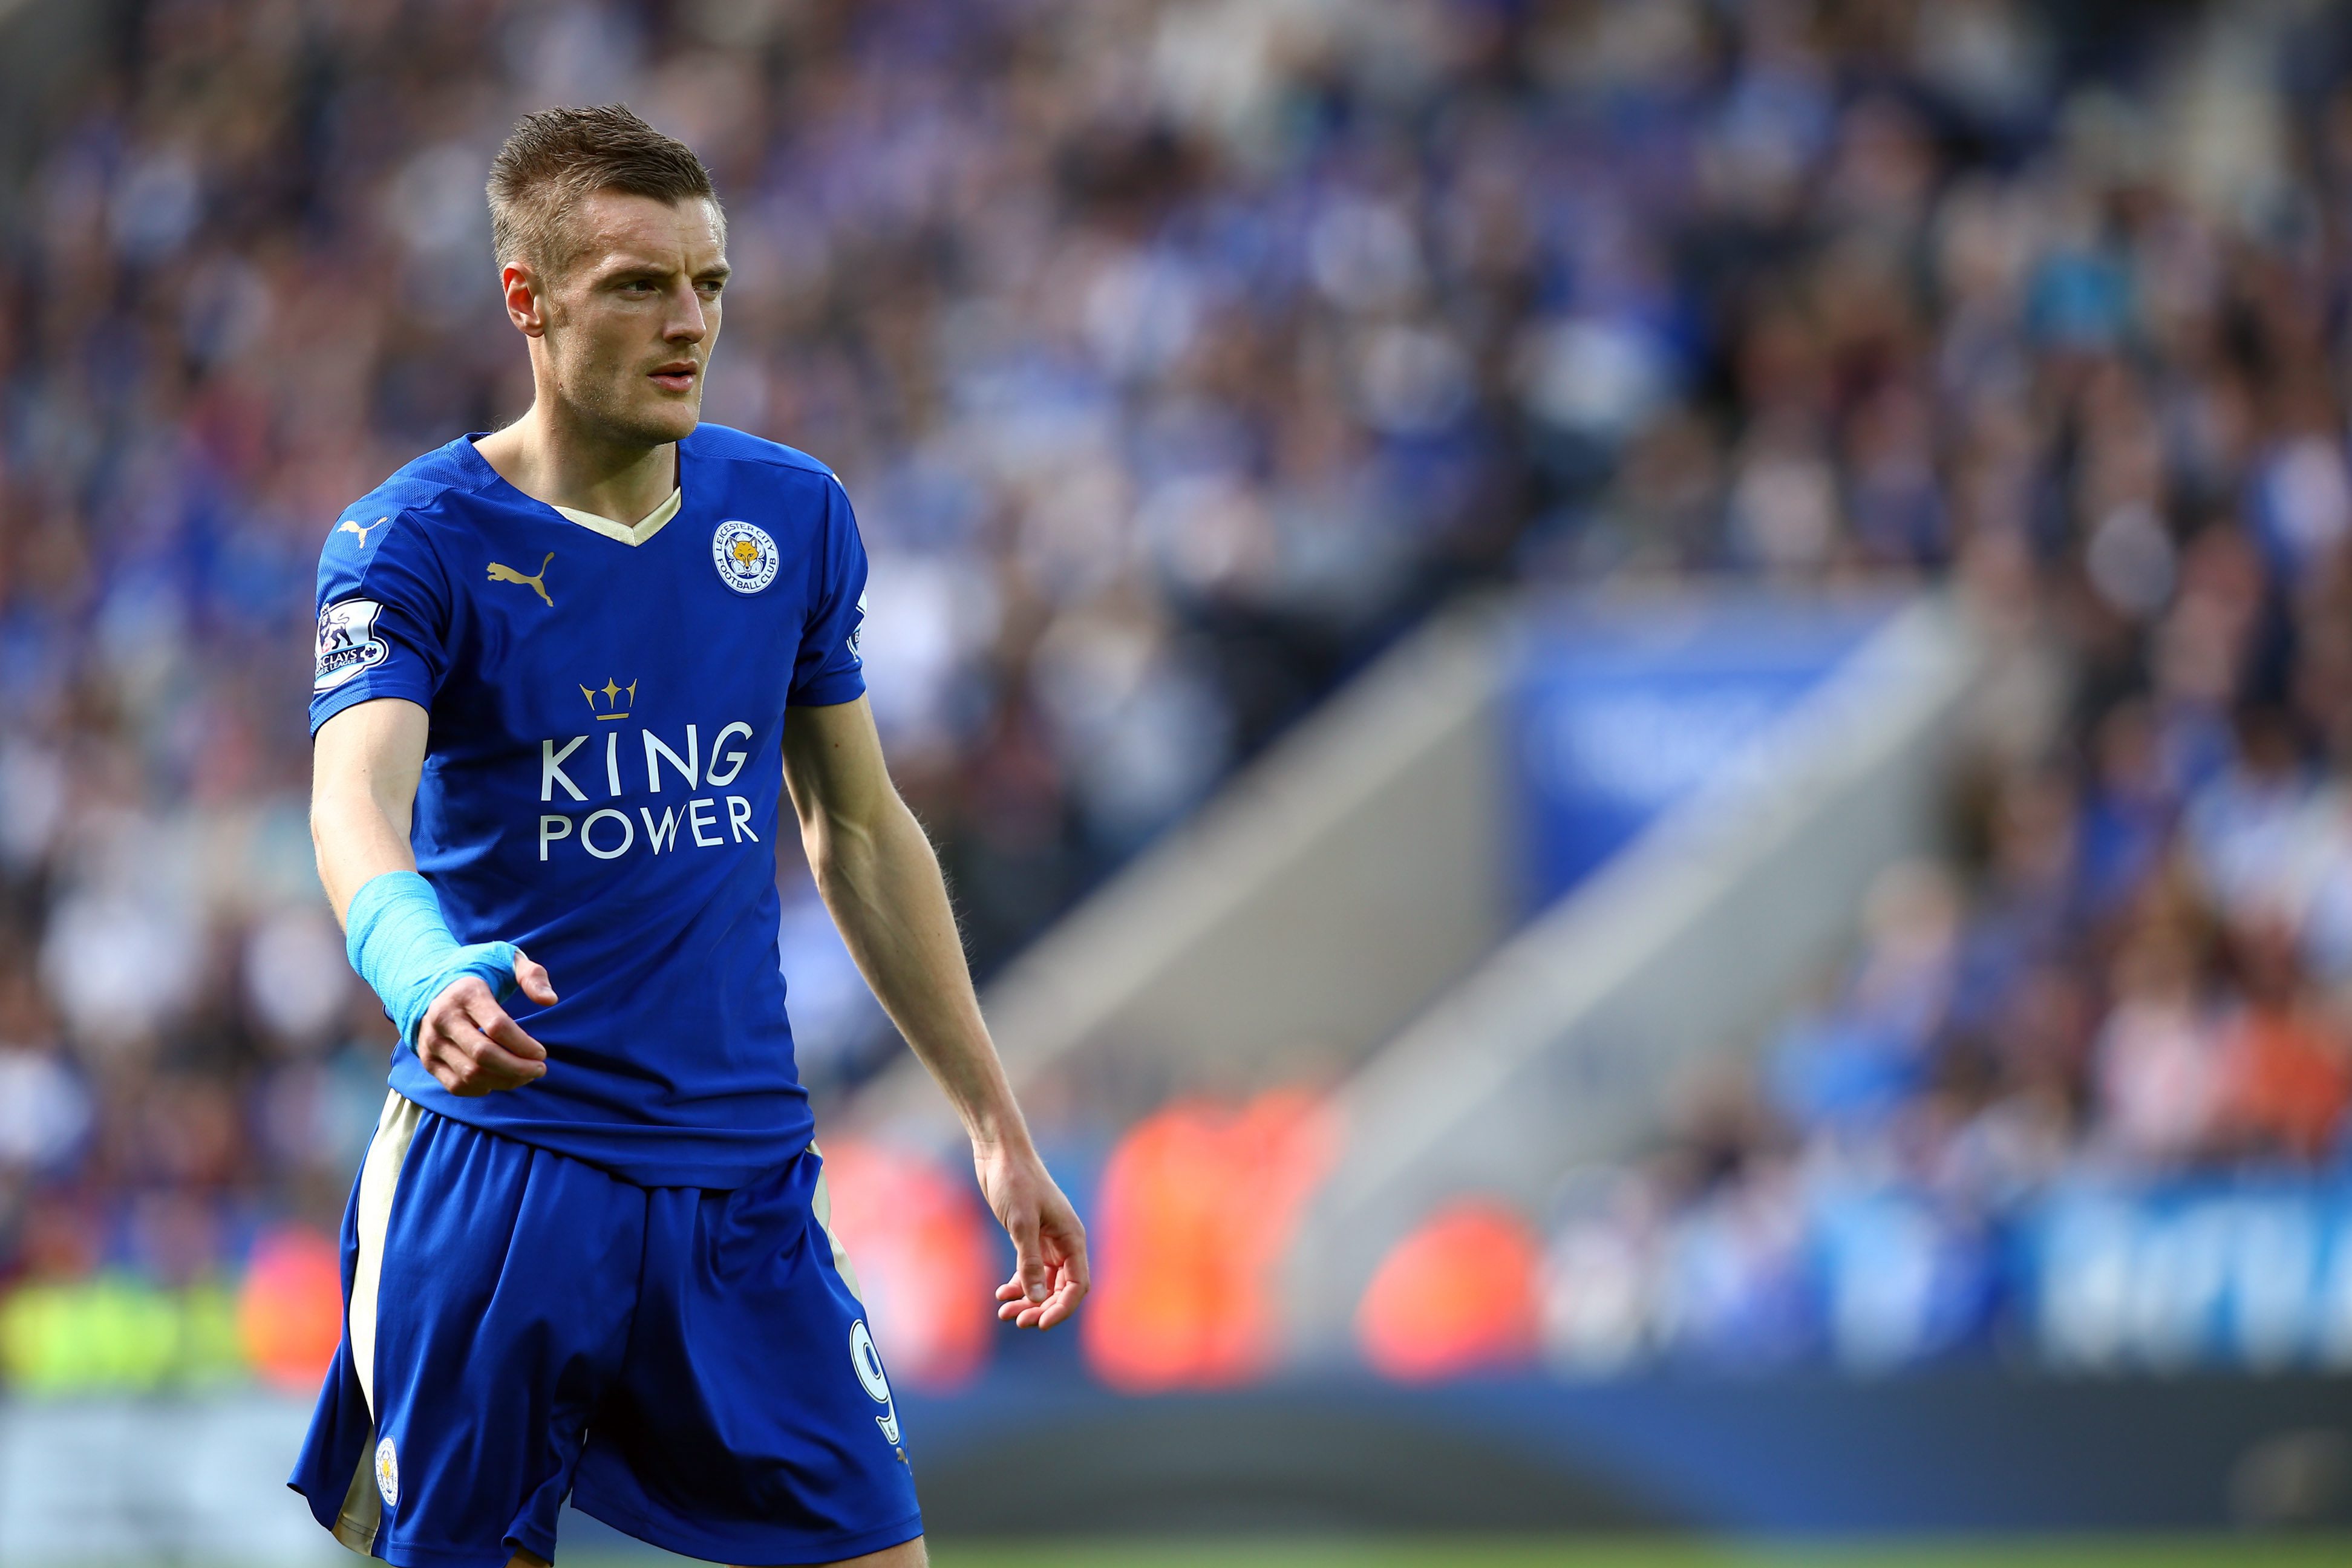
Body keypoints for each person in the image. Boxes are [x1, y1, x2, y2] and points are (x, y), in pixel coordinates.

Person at [289, 104, 1088, 1568]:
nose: (689, 324)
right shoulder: (410, 542)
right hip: (507, 1171)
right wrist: (420, 970)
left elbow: (859, 828)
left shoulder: (789, 518)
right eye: (639, 286)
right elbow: (354, 800)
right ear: (529, 301)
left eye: (709, 284)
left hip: (745, 1187)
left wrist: (993, 1120)